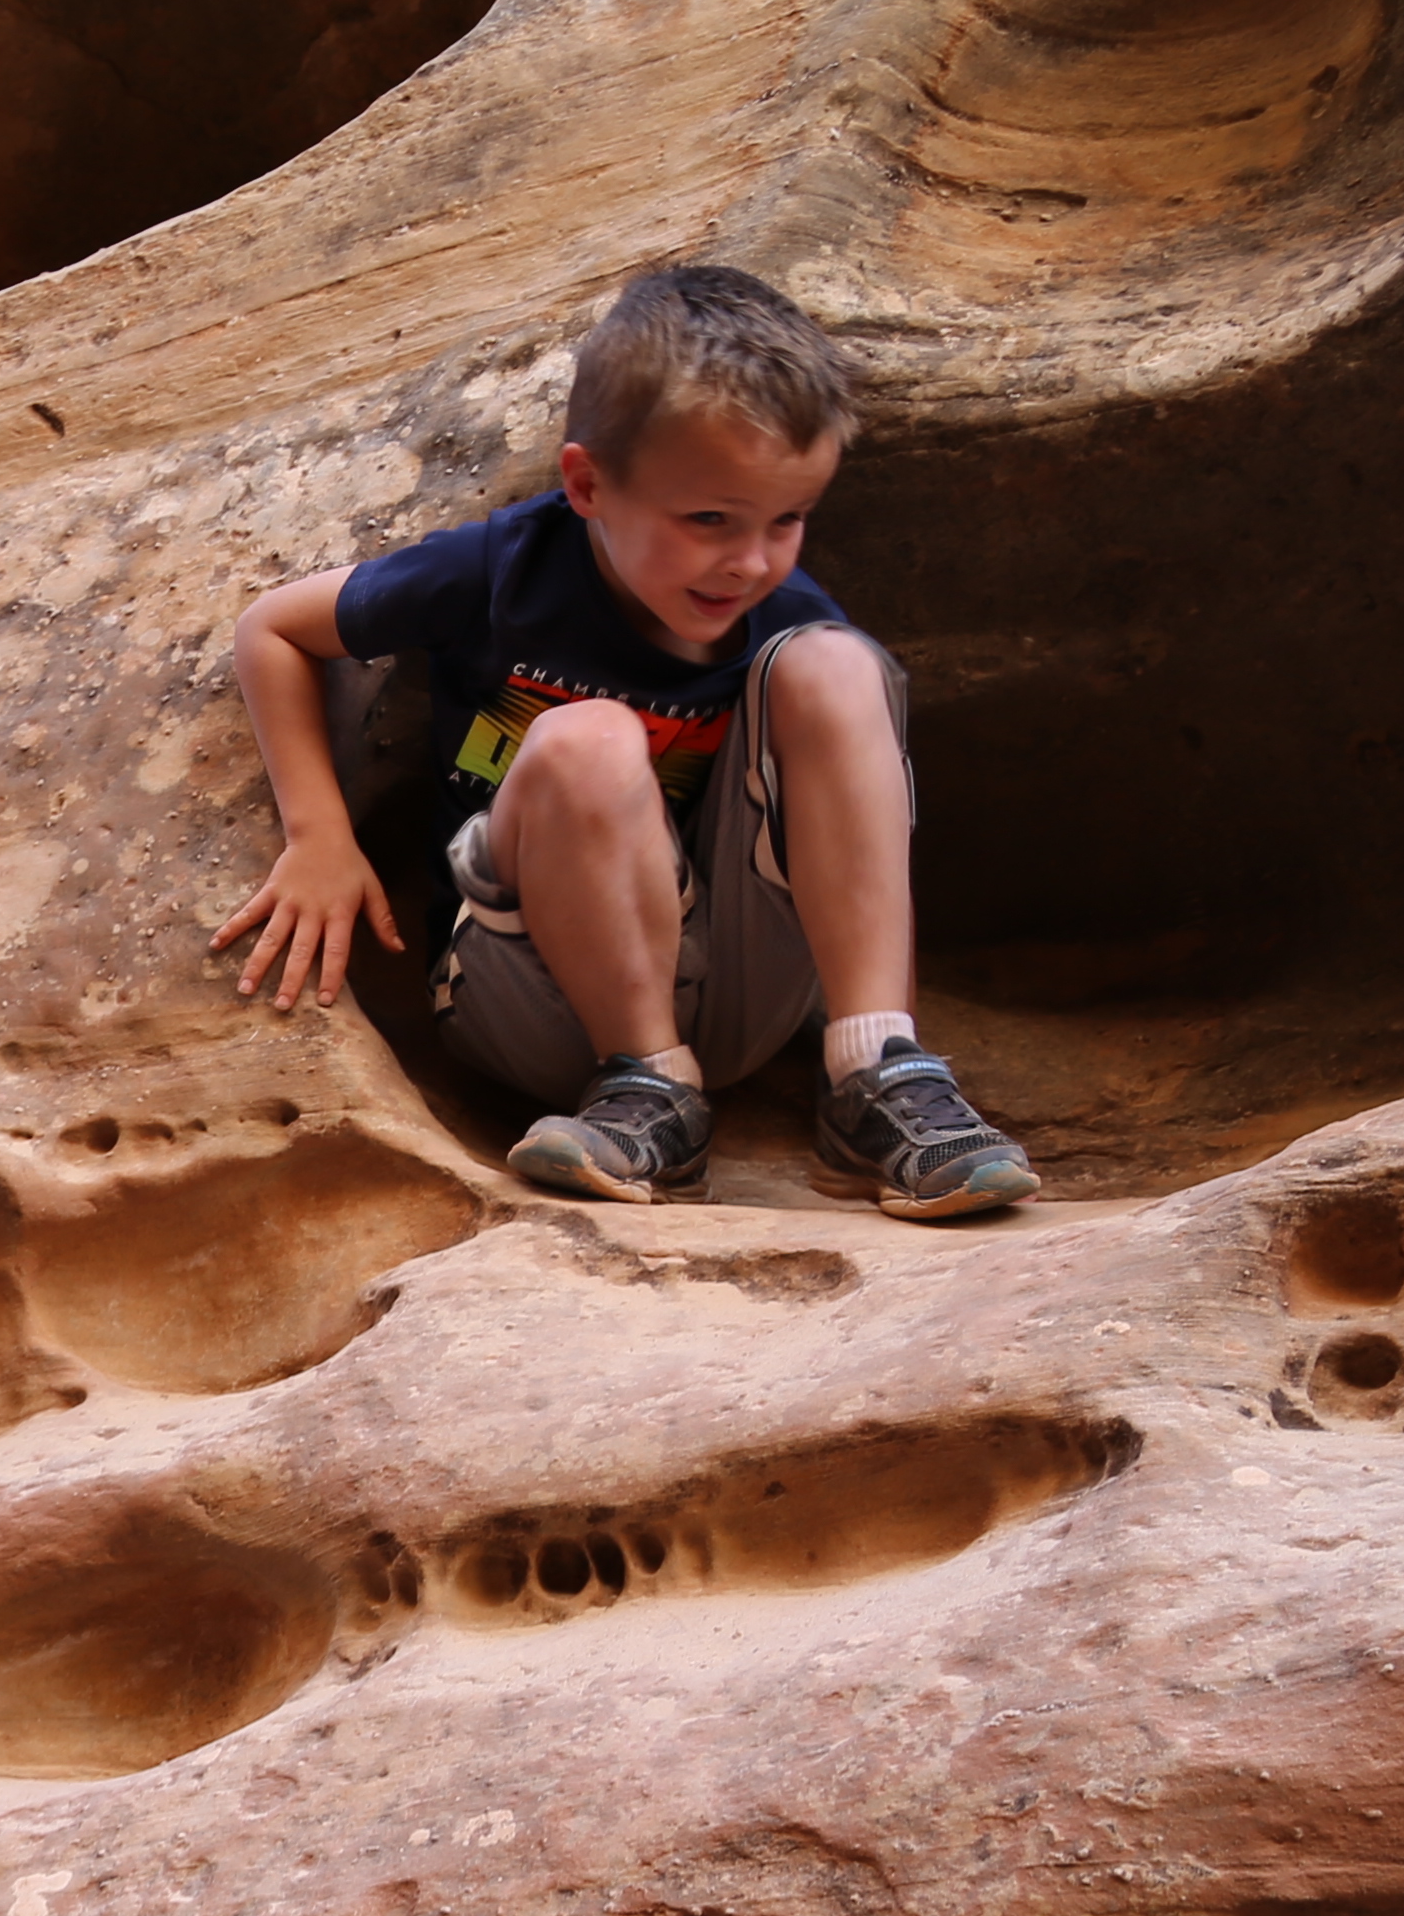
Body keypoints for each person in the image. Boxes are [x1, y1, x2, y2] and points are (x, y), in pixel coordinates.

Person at [208, 263, 1038, 1219]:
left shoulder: (781, 617)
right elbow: (272, 628)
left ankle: (875, 1074)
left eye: (788, 520)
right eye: (709, 521)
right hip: (528, 997)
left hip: (739, 996)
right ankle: (649, 1089)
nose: (751, 562)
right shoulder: (506, 570)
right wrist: (320, 835)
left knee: (839, 664)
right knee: (588, 740)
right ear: (588, 483)